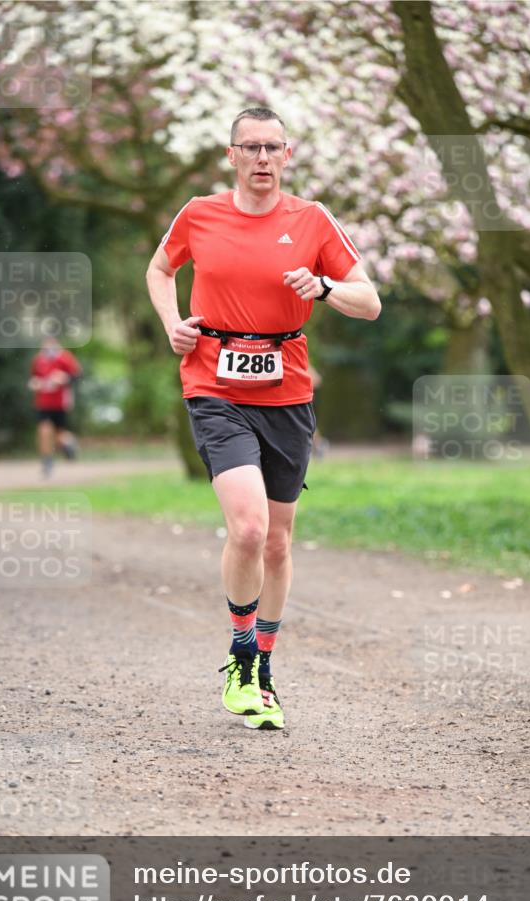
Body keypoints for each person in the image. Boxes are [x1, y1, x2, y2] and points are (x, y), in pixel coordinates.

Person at [146, 107, 380, 731]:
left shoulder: (313, 219)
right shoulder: (199, 213)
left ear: (287, 155)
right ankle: (242, 656)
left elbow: (370, 302)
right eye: (249, 147)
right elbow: (160, 268)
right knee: (248, 529)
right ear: (231, 156)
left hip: (287, 393)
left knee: (277, 542)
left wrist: (324, 288)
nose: (261, 158)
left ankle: (263, 667)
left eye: (272, 147)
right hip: (213, 385)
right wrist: (172, 324)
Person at [28, 335, 82, 478]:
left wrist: (64, 378)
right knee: (43, 430)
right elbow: (33, 378)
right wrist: (35, 383)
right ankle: (47, 462)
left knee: (59, 435)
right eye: (46, 344)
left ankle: (70, 445)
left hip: (60, 403)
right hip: (43, 403)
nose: (48, 347)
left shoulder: (64, 357)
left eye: (51, 344)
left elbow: (76, 375)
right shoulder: (38, 359)